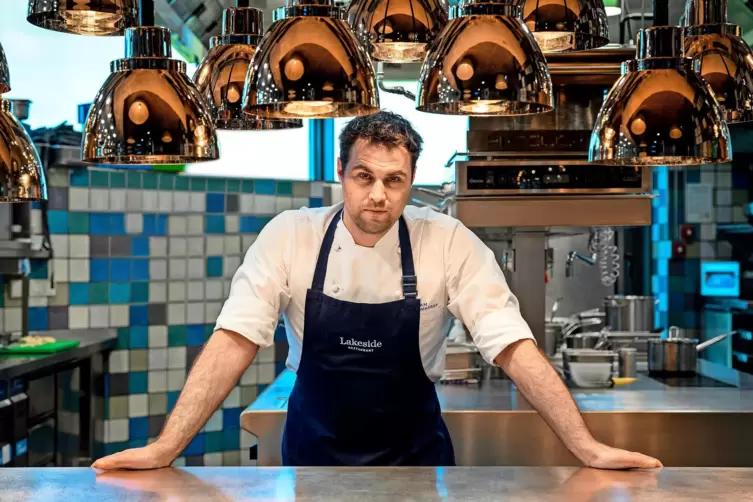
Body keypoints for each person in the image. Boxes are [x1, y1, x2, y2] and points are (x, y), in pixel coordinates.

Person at [92, 111, 661, 470]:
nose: (379, 196)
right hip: (311, 458)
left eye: (395, 181)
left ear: (412, 182)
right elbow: (235, 338)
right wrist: (166, 447)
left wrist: (585, 447)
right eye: (364, 177)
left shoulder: (446, 240)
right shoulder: (292, 235)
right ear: (341, 173)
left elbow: (510, 343)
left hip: (414, 458)